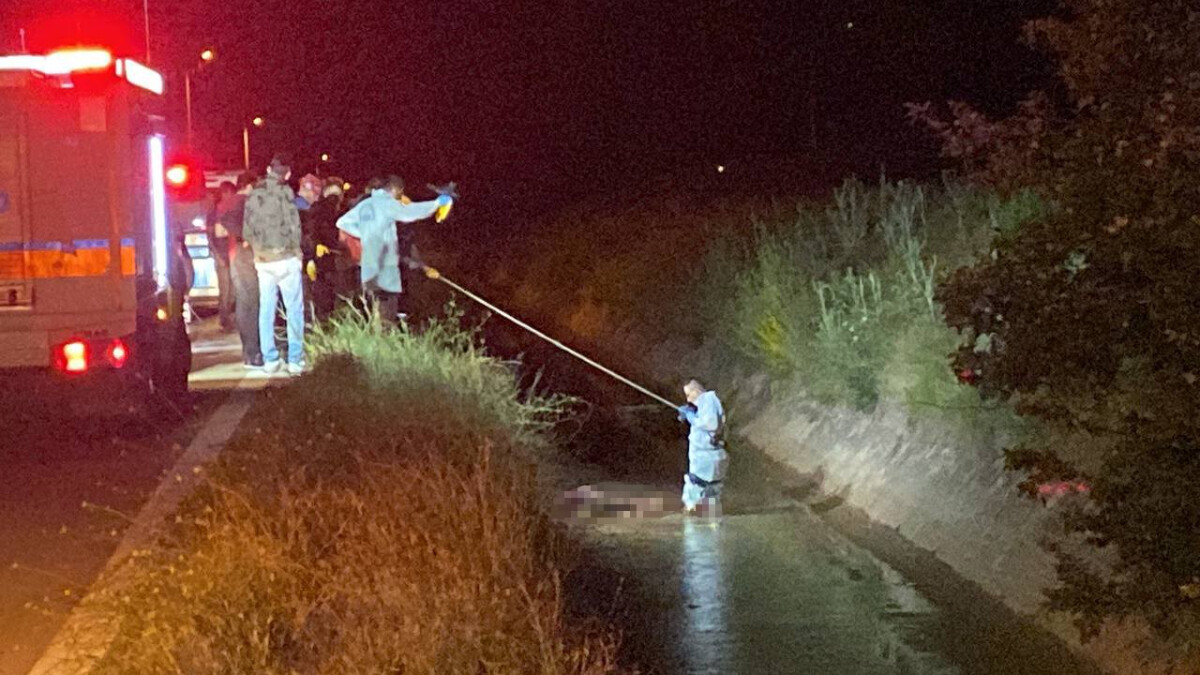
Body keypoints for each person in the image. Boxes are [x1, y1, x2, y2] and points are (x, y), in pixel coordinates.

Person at [335, 174, 451, 324]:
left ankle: (374, 340)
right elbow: (411, 213)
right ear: (396, 190)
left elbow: (342, 223)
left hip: (368, 267)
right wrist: (437, 204)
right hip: (384, 269)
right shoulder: (386, 203)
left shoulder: (367, 204)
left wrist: (364, 235)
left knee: (374, 309)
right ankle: (382, 342)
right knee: (387, 313)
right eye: (400, 192)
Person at [243, 155, 305, 374]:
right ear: (287, 174)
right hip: (286, 258)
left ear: (269, 169)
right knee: (294, 308)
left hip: (263, 261)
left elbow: (247, 230)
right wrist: (297, 253)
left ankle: (270, 358)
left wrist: (258, 251)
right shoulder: (285, 193)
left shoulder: (254, 195)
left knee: (266, 309)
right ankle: (295, 359)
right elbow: (293, 226)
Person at [217, 172, 262, 367]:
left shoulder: (224, 203)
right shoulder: (247, 202)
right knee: (253, 302)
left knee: (244, 302)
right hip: (248, 255)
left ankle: (248, 351)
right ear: (250, 185)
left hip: (233, 255)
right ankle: (254, 350)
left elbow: (218, 231)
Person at [677, 380, 729, 515]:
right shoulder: (708, 403)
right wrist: (691, 413)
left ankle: (692, 519)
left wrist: (691, 417)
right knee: (711, 495)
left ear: (696, 391)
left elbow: (710, 424)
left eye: (689, 395)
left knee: (696, 488)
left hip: (706, 457)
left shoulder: (708, 400)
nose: (688, 399)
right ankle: (712, 523)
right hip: (710, 457)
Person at [207, 184, 235, 331]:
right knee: (225, 291)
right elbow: (211, 237)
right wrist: (217, 256)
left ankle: (230, 319)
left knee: (232, 290)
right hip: (222, 256)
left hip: (230, 254)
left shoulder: (227, 210)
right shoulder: (214, 213)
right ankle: (225, 321)